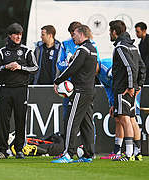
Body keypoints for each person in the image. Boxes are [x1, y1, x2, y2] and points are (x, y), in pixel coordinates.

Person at [0, 23, 38, 159]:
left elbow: (35, 68)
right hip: (6, 89)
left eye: (20, 34)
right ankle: (2, 150)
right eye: (15, 34)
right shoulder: (2, 52)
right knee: (3, 120)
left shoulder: (26, 51)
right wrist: (6, 66)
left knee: (20, 119)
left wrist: (20, 67)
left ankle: (19, 149)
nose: (18, 37)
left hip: (21, 89)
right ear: (9, 36)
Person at [52, 25, 97, 163]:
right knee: (86, 123)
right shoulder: (93, 49)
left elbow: (71, 68)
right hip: (89, 90)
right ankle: (88, 154)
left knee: (72, 122)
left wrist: (58, 81)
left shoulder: (82, 50)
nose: (73, 37)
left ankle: (68, 154)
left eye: (75, 34)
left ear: (82, 34)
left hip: (80, 91)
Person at [109, 20, 144, 161]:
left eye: (110, 32)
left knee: (125, 119)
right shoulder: (133, 46)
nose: (109, 35)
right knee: (132, 119)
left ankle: (128, 154)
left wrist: (130, 86)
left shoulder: (120, 47)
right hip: (131, 88)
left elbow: (129, 67)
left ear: (114, 32)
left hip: (123, 89)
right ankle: (137, 153)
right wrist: (138, 85)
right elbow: (142, 67)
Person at [97, 57, 145, 161]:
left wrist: (133, 89)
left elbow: (118, 80)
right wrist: (112, 104)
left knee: (129, 118)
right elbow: (109, 89)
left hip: (127, 89)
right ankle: (119, 151)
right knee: (119, 119)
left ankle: (133, 152)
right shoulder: (98, 74)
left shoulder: (105, 66)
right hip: (123, 90)